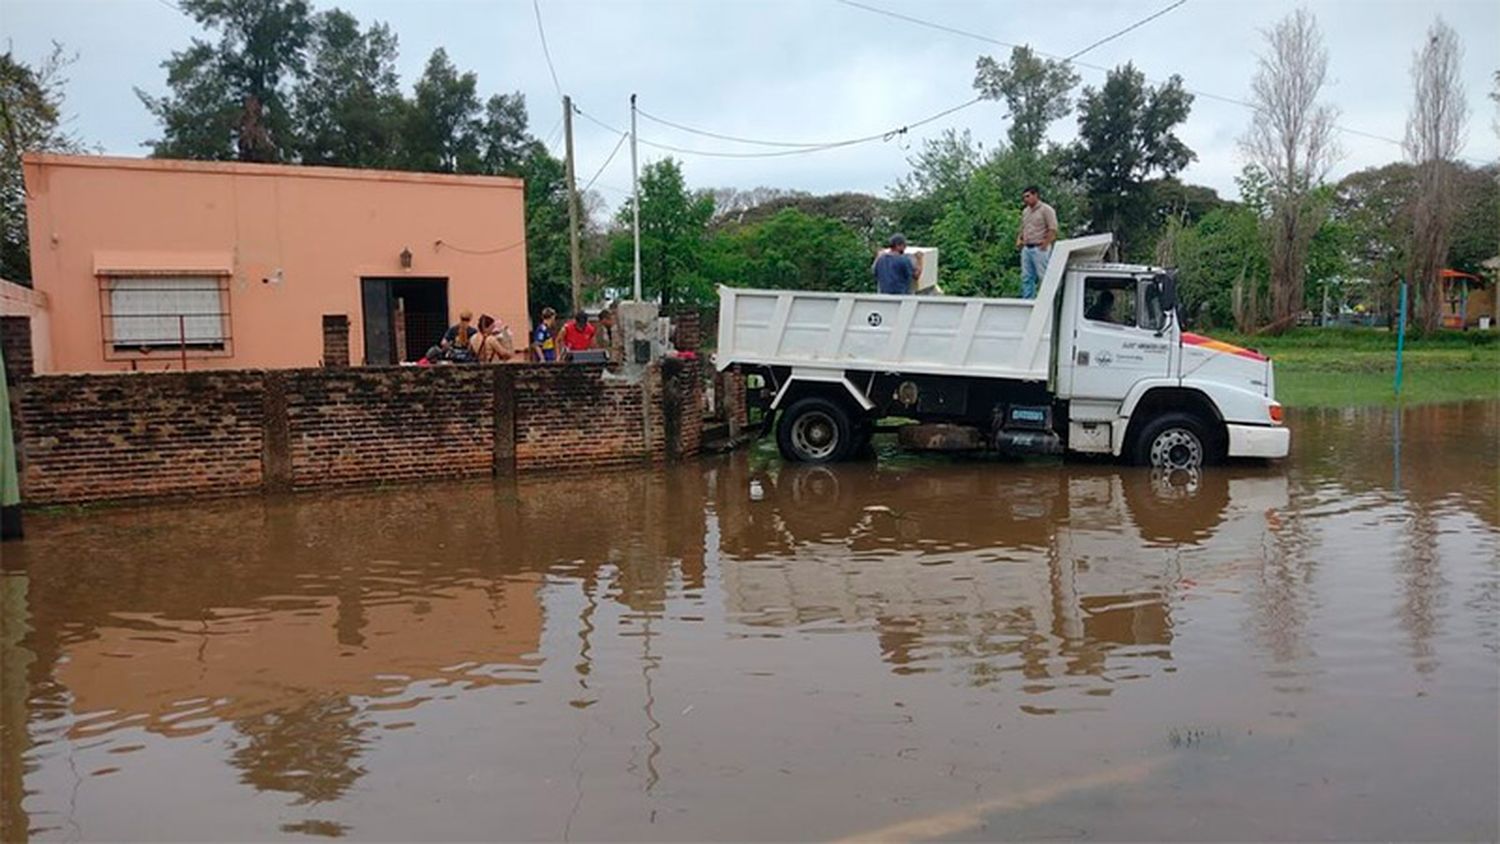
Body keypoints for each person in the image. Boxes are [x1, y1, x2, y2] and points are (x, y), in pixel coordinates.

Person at [1015, 186, 1058, 299]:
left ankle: (1045, 300)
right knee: (1026, 277)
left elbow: (1053, 229)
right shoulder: (1026, 211)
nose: (1025, 199)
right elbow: (1023, 227)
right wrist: (1019, 239)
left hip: (1040, 247)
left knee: (1043, 276)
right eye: (1024, 197)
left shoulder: (1046, 210)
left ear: (1035, 195)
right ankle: (1027, 300)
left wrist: (1045, 244)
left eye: (1028, 196)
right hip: (1027, 247)